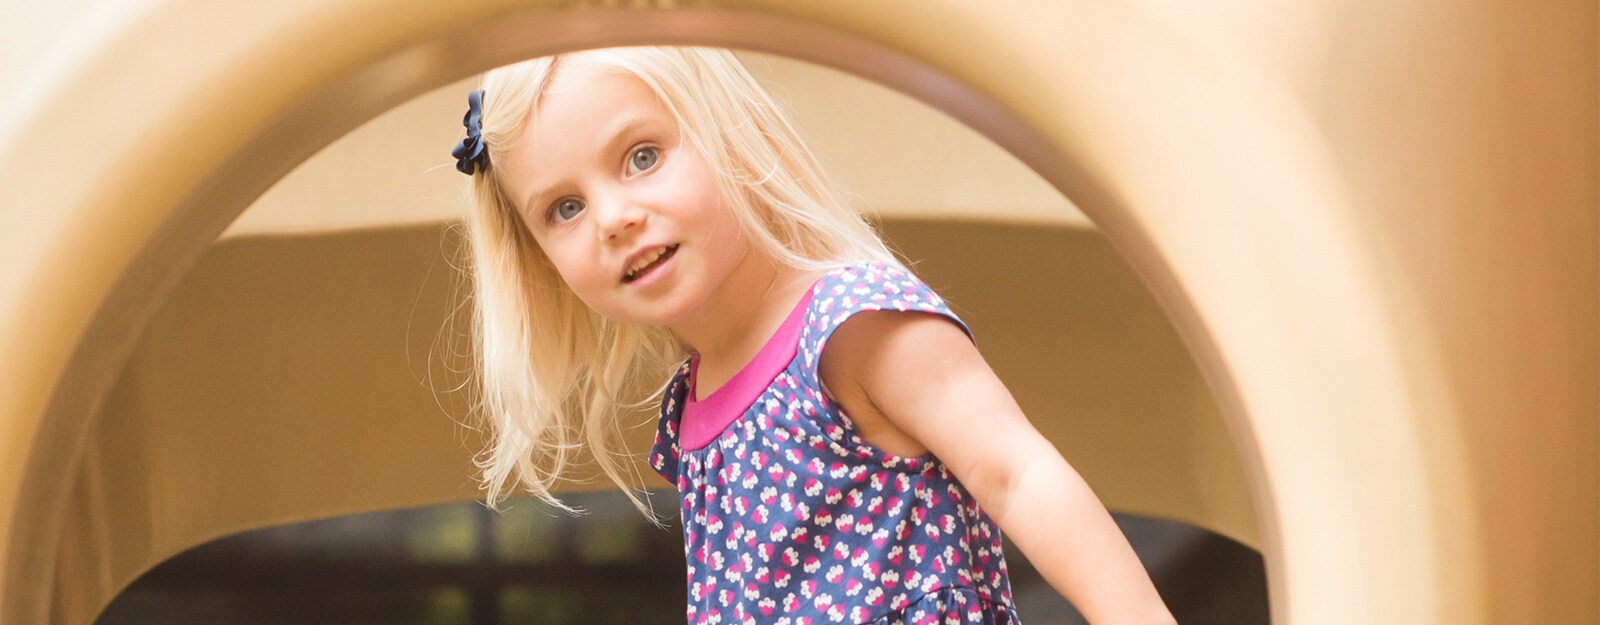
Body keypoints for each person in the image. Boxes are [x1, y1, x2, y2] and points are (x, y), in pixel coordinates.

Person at [452, 46, 1176, 625]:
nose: (613, 216)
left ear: (729, 132)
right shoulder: (695, 404)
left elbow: (1018, 476)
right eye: (565, 207)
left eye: (642, 156)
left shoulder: (852, 324)